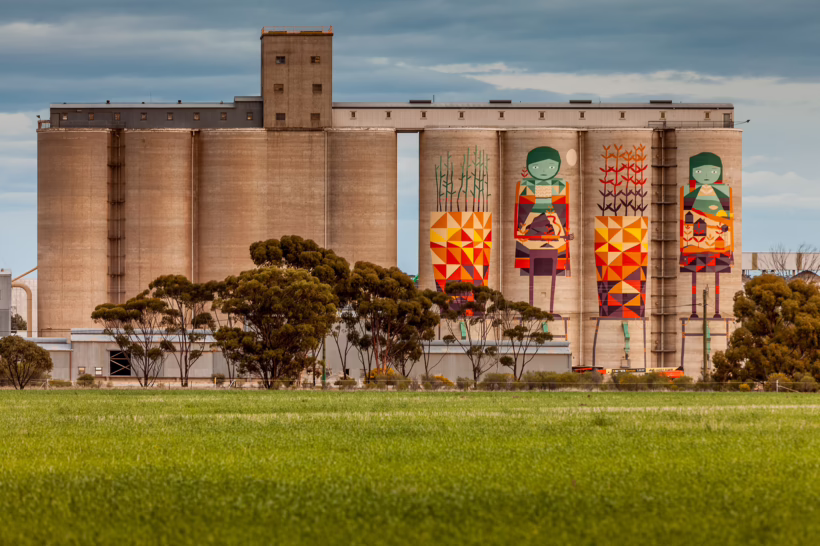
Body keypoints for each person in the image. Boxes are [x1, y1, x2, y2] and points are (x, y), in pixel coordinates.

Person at [514, 147, 573, 312]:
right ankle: (524, 232)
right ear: (529, 167)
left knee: (555, 222)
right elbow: (520, 204)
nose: (544, 171)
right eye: (536, 167)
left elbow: (565, 204)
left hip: (548, 209)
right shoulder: (526, 184)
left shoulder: (560, 184)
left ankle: (557, 234)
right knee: (531, 221)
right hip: (538, 210)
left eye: (551, 167)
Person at [680, 152, 733, 318]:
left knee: (718, 277)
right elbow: (685, 216)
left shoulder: (724, 193)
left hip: (718, 243)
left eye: (713, 171)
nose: (707, 176)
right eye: (699, 171)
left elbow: (728, 218)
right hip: (693, 242)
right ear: (692, 172)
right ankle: (694, 311)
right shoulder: (688, 192)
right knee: (693, 277)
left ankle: (717, 311)